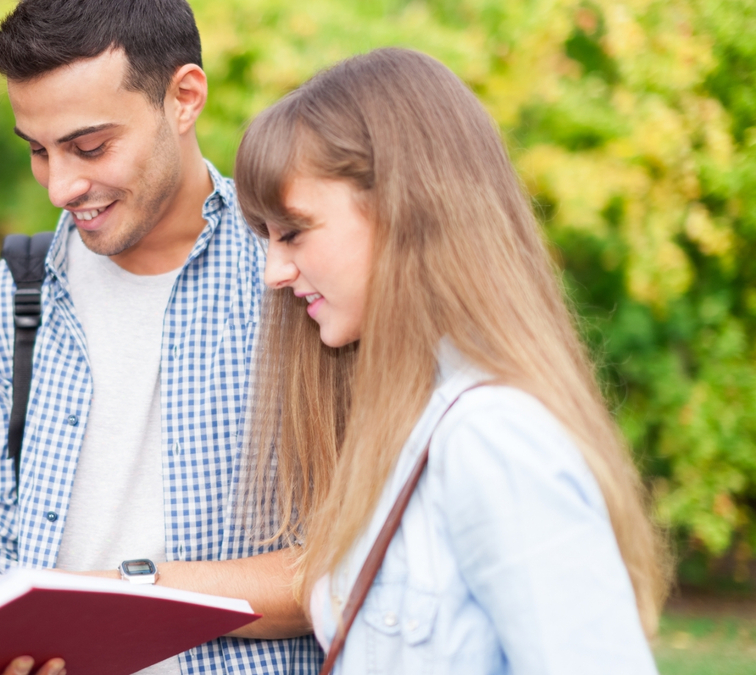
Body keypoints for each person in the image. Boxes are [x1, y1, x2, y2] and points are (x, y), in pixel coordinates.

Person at [232, 48, 670, 673]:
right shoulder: (403, 424)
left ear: (404, 206)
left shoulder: (492, 438)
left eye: (294, 231)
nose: (273, 271)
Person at [0, 0, 320, 673]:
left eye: (90, 147)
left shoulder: (297, 281)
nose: (61, 185)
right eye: (37, 150)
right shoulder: (4, 303)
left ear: (184, 98)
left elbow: (349, 560)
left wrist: (116, 598)